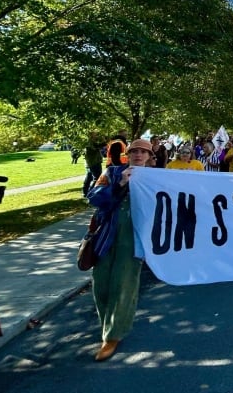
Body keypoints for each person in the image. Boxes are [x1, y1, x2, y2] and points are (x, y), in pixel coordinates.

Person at [86, 138, 154, 362]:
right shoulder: (112, 172)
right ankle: (108, 325)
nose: (139, 155)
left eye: (144, 152)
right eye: (135, 151)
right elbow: (93, 197)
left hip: (134, 238)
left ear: (149, 157)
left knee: (124, 284)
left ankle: (112, 335)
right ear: (129, 153)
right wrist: (120, 185)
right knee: (101, 284)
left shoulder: (156, 179)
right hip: (106, 236)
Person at [83, 132, 105, 198]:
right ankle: (90, 193)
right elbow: (95, 148)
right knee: (97, 178)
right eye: (95, 134)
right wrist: (104, 142)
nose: (96, 135)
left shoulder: (91, 142)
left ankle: (86, 193)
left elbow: (97, 146)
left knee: (89, 177)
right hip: (94, 163)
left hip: (91, 162)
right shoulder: (90, 143)